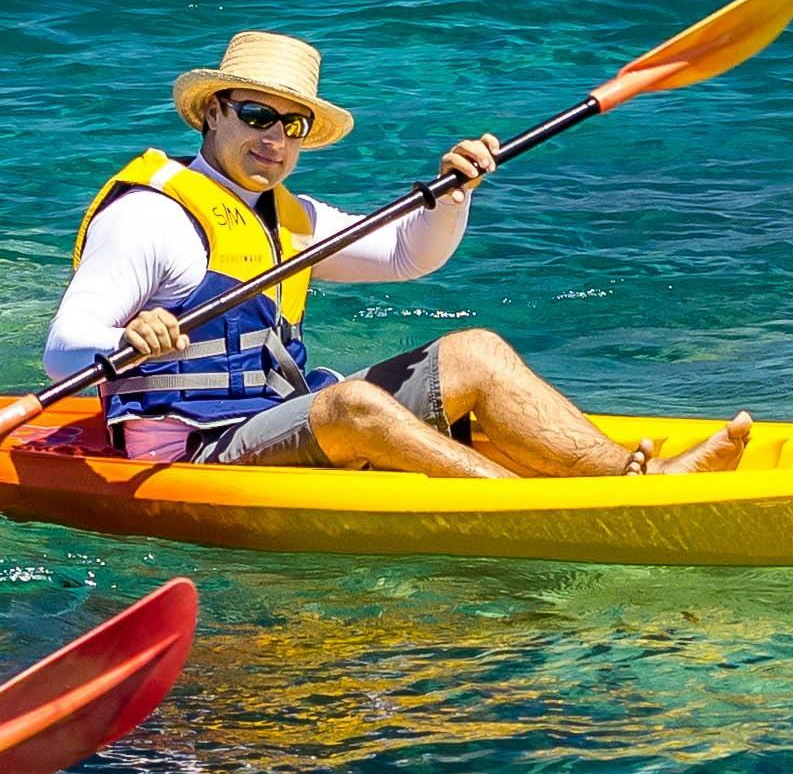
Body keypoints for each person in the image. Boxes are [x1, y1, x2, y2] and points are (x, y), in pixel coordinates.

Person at [50, 26, 700, 478]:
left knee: (477, 350)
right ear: (211, 113)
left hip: (270, 419)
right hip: (190, 452)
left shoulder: (291, 218)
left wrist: (452, 193)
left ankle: (635, 472)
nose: (274, 138)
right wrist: (128, 339)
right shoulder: (149, 216)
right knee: (350, 406)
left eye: (291, 124)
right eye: (255, 115)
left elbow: (406, 255)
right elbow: (62, 350)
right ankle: (521, 504)